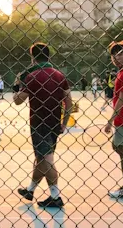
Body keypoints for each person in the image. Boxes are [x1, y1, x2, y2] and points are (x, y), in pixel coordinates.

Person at [13, 42, 73, 208]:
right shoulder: (59, 75)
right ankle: (30, 190)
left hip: (38, 123)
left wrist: (16, 85)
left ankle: (55, 195)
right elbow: (69, 101)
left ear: (33, 57)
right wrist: (64, 123)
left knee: (46, 159)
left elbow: (18, 100)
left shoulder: (31, 77)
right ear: (49, 56)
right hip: (54, 122)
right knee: (41, 158)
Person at [102, 41, 123, 198]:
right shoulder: (122, 72)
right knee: (119, 147)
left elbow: (122, 99)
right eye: (114, 55)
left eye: (121, 54)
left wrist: (110, 120)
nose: (117, 57)